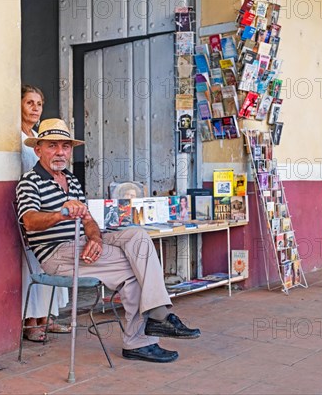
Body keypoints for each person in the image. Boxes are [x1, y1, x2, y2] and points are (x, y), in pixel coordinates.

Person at [16, 118, 201, 363]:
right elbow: (29, 221)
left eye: (65, 146)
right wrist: (61, 213)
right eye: (52, 146)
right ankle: (147, 331)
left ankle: (156, 318)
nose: (60, 152)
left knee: (138, 236)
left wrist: (96, 239)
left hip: (81, 243)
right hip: (56, 254)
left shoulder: (70, 180)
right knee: (133, 270)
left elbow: (89, 220)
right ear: (38, 149)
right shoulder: (30, 181)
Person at [20, 85, 69, 342]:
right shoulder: (18, 139)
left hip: (51, 207)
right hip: (32, 208)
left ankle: (48, 317)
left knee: (52, 261)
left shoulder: (41, 137)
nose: (35, 108)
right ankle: (31, 321)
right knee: (32, 265)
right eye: (30, 103)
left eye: (39, 103)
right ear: (19, 105)